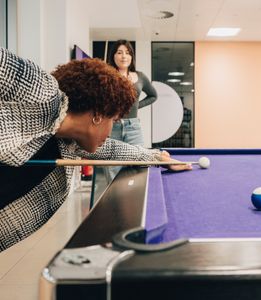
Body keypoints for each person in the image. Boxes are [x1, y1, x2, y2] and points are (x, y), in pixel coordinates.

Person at [0, 47, 191, 252]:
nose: (110, 131)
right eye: (114, 120)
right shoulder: (43, 91)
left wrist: (156, 157)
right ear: (98, 115)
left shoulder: (68, 144)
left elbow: (112, 151)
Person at [104, 39, 158, 183]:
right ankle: (116, 203)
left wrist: (134, 107)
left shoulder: (140, 76)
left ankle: (135, 203)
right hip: (111, 128)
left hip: (133, 127)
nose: (123, 56)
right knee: (113, 170)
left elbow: (153, 96)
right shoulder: (107, 76)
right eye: (119, 52)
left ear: (132, 56)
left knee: (139, 167)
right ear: (113, 56)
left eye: (127, 53)